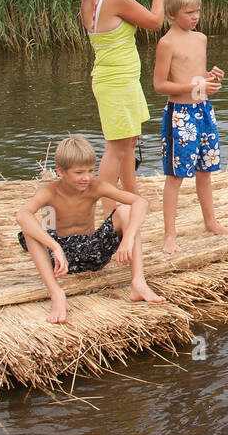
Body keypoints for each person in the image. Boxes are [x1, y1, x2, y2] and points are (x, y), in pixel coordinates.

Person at [16, 135, 165, 323]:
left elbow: (140, 202)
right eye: (79, 173)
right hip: (58, 260)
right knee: (31, 226)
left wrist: (128, 238)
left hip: (90, 251)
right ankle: (57, 294)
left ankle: (138, 282)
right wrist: (55, 247)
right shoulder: (49, 191)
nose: (86, 177)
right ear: (61, 171)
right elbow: (22, 215)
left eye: (90, 170)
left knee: (126, 211)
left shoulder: (95, 186)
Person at [76, 0, 168, 214]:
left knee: (129, 140)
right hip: (116, 82)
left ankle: (131, 196)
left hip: (115, 79)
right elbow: (154, 23)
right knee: (115, 148)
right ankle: (109, 214)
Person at [153, 0, 228, 255]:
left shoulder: (200, 39)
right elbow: (159, 86)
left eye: (197, 11)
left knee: (206, 169)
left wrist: (209, 78)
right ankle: (170, 234)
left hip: (203, 111)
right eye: (189, 13)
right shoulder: (167, 43)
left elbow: (197, 77)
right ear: (171, 14)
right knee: (175, 176)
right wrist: (192, 86)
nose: (195, 17)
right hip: (180, 115)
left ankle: (211, 222)